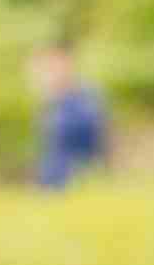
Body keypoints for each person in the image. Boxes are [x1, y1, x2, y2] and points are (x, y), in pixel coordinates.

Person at [32, 44, 109, 190]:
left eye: (50, 70)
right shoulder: (51, 104)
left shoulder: (83, 99)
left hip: (76, 181)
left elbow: (90, 138)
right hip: (51, 182)